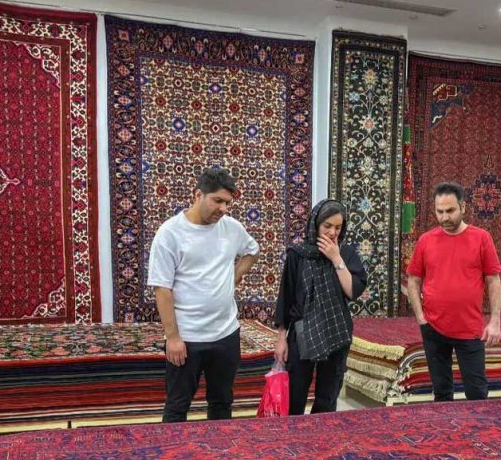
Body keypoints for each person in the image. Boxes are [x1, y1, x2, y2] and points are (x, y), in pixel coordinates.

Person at [148, 167, 259, 423]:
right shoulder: (170, 233)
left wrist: (234, 275)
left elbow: (253, 250)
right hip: (187, 337)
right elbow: (162, 289)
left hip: (226, 334)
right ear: (198, 194)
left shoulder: (232, 228)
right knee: (177, 405)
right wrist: (173, 338)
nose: (223, 209)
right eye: (217, 201)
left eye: (227, 203)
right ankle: (173, 448)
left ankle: (220, 448)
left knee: (222, 402)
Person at [405, 181, 501, 402]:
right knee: (441, 391)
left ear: (463, 207)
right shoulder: (426, 241)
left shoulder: (481, 238)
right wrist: (421, 318)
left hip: (470, 328)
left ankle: (476, 426)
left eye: (450, 211)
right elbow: (413, 280)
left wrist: (495, 321)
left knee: (477, 392)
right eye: (439, 211)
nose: (444, 217)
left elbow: (493, 280)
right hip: (433, 327)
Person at [273, 199, 368, 414]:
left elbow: (352, 291)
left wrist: (336, 258)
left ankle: (321, 434)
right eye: (327, 226)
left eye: (338, 227)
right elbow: (286, 297)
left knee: (327, 399)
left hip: (336, 332)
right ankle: (295, 434)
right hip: (303, 331)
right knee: (295, 395)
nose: (333, 233)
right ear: (315, 224)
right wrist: (281, 339)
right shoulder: (297, 254)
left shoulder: (346, 253)